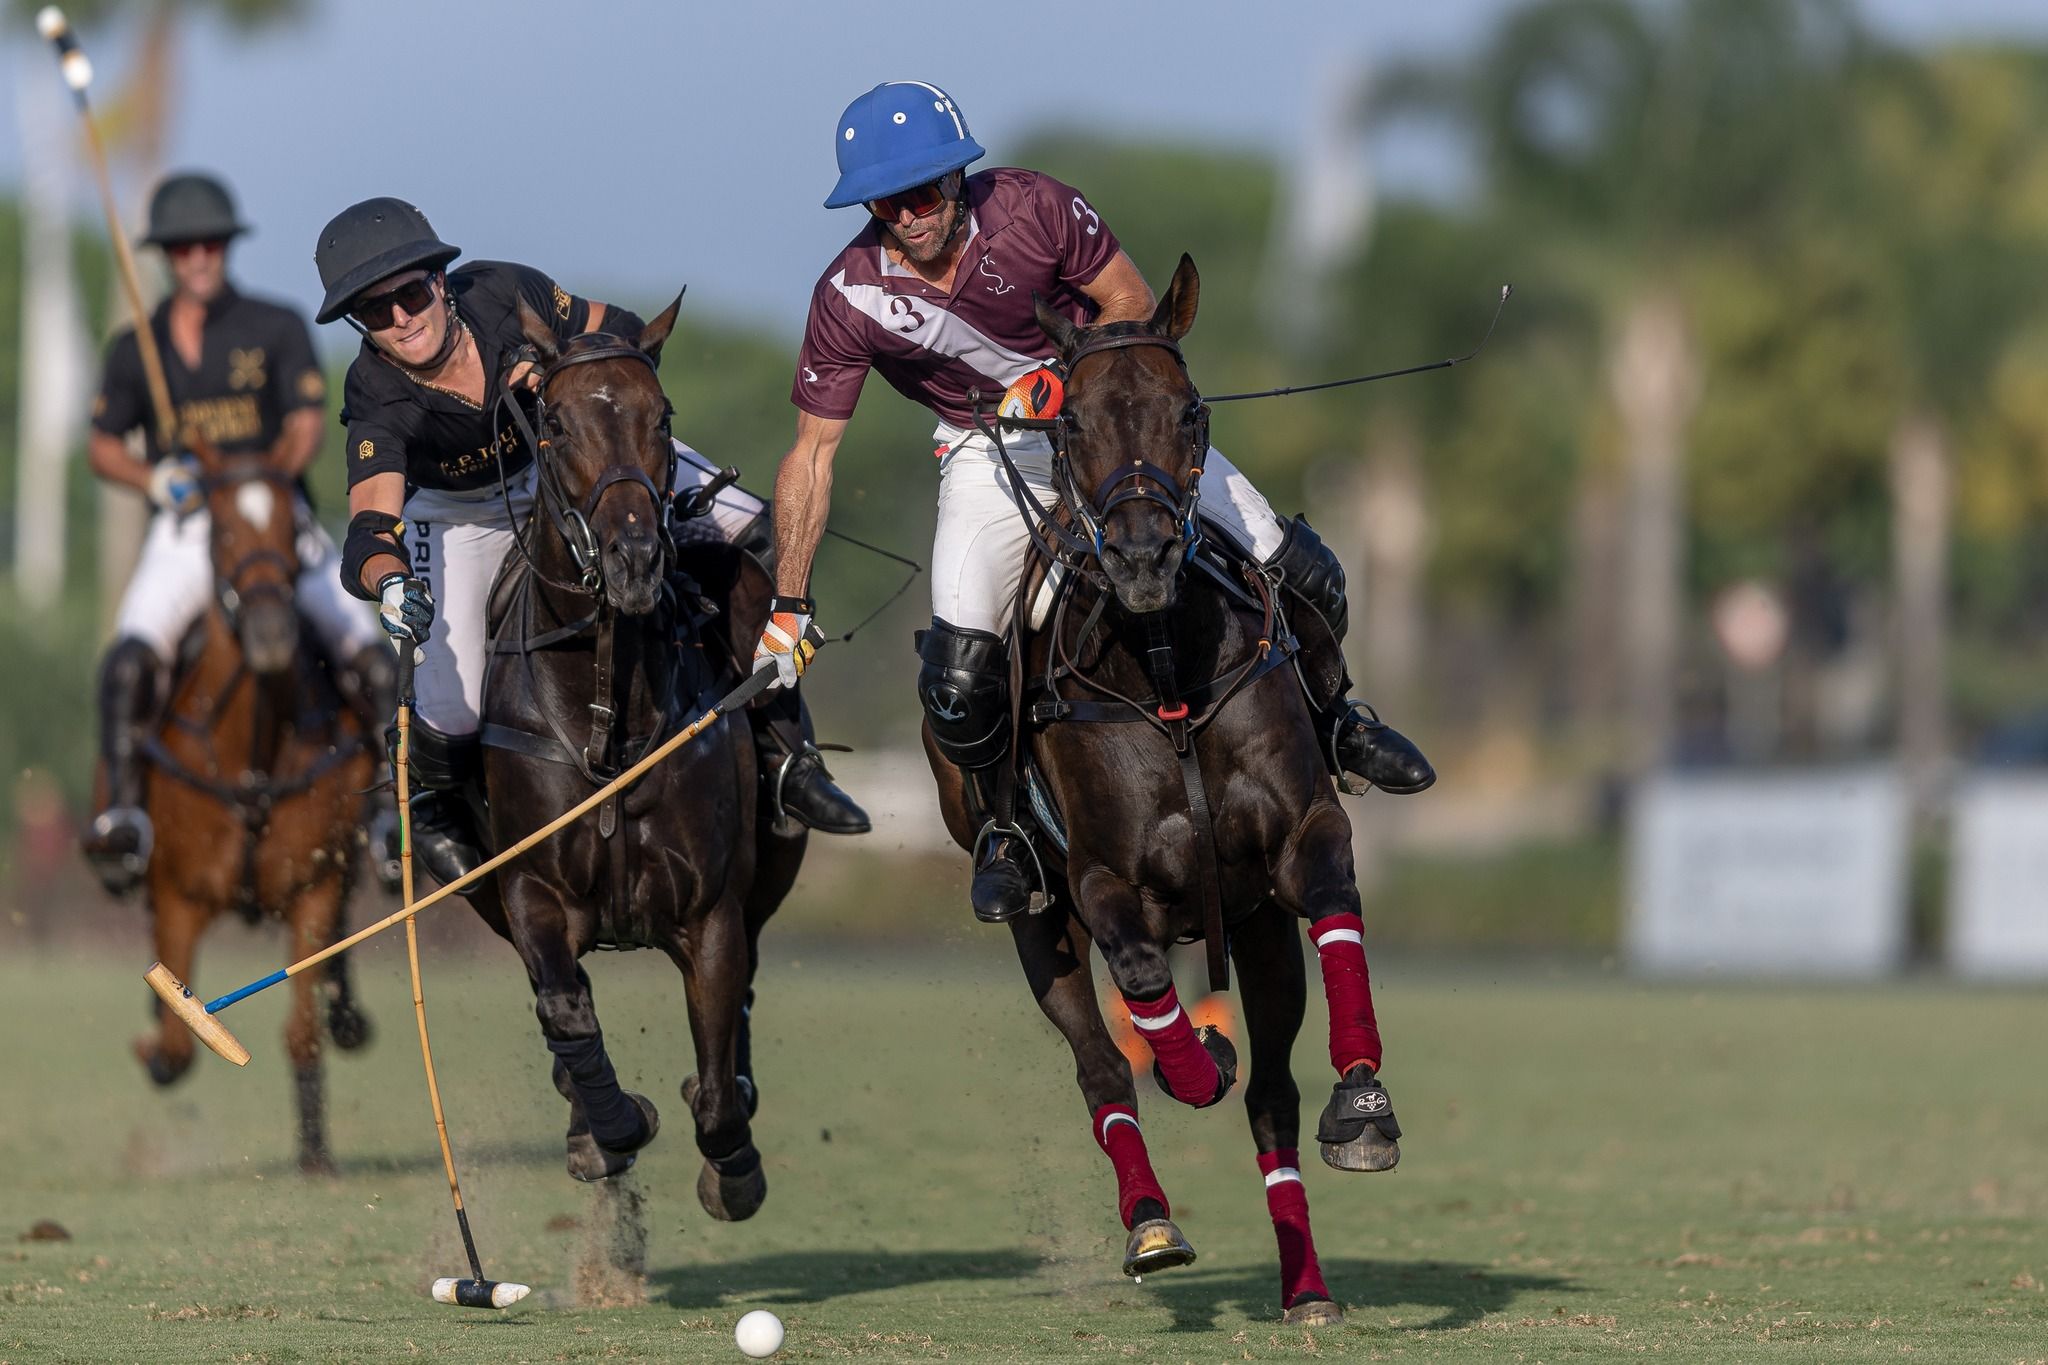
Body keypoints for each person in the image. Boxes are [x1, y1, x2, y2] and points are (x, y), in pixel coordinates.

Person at [754, 82, 1436, 924]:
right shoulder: (848, 296)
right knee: (960, 675)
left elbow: (1131, 304)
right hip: (987, 454)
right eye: (887, 202)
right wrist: (787, 606)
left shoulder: (1036, 207)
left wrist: (1060, 380)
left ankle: (1340, 721)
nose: (911, 215)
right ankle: (1004, 829)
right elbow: (812, 457)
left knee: (1303, 568)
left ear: (958, 178)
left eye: (925, 191)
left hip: (1112, 422)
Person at [314, 198, 867, 890]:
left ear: (439, 280)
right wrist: (391, 582)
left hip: (579, 459)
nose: (400, 317)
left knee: (755, 532)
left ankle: (788, 753)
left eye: (410, 293)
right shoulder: (375, 389)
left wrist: (561, 363)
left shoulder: (507, 292)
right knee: (449, 711)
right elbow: (370, 525)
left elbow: (626, 334)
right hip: (460, 515)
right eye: (374, 311)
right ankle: (437, 808)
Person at [82, 172, 396, 897]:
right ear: (166, 254)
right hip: (189, 529)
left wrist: (255, 484)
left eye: (212, 244)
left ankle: (387, 815)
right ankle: (126, 812)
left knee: (369, 656)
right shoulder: (138, 347)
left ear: (227, 248)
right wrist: (151, 479)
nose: (199, 257)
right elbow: (102, 444)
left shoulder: (276, 327)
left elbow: (306, 426)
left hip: (274, 522)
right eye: (185, 246)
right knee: (127, 662)